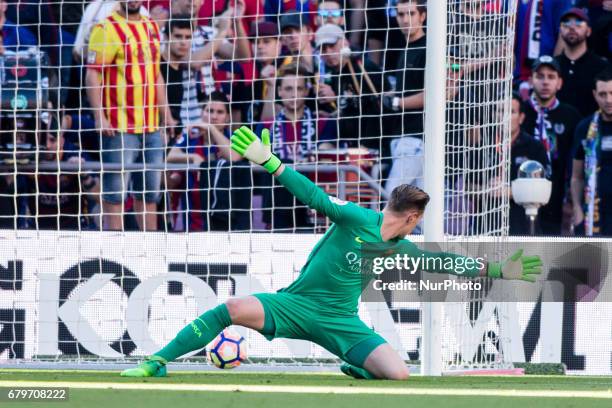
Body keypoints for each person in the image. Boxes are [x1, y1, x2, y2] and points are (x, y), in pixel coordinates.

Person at [120, 126, 542, 380]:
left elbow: (448, 263)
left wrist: (499, 269)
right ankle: (158, 360)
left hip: (342, 321)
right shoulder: (358, 218)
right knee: (231, 307)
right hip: (295, 305)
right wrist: (272, 163)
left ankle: (359, 366)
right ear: (412, 217)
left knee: (399, 373)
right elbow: (316, 196)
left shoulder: (401, 246)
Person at [86, 0, 176, 231]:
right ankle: (116, 243)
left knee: (150, 192)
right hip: (119, 126)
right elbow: (93, 75)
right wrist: (99, 116)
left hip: (152, 126)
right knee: (115, 191)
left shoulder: (152, 27)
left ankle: (149, 244)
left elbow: (156, 75)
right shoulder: (105, 29)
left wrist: (166, 114)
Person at [258, 63, 337, 231]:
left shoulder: (322, 122)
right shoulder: (267, 126)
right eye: (288, 89)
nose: (293, 95)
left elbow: (325, 153)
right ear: (279, 91)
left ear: (306, 91)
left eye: (299, 89)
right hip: (277, 203)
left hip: (311, 197)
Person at [166, 91, 250, 231]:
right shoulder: (191, 138)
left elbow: (234, 157)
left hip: (227, 217)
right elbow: (170, 156)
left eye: (220, 112)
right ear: (201, 114)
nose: (214, 116)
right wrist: (192, 157)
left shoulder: (236, 138)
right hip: (195, 218)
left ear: (228, 117)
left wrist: (211, 128)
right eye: (209, 111)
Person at [522, 55, 582, 235]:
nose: (545, 82)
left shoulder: (571, 115)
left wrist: (571, 200)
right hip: (521, 194)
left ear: (560, 82)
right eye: (540, 76)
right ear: (531, 80)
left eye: (551, 77)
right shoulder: (520, 111)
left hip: (556, 196)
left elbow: (575, 160)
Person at [315, 23, 390, 149]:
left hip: (375, 141)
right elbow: (349, 107)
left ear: (344, 43)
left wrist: (364, 147)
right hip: (353, 139)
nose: (328, 52)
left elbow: (377, 109)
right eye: (323, 48)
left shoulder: (363, 68)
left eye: (332, 46)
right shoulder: (334, 73)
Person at [571, 69, 612, 236]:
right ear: (595, 95)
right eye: (602, 94)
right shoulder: (585, 127)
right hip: (594, 214)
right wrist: (577, 209)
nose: (608, 100)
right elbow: (577, 176)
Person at [555, 8, 610, 117]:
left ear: (588, 31)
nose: (572, 27)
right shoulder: (553, 66)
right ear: (560, 31)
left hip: (591, 130)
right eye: (566, 24)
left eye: (578, 24)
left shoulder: (602, 67)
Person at [508, 93, 549, 235]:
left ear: (521, 117)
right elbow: (468, 186)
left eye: (511, 112)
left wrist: (509, 192)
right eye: (499, 111)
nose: (504, 116)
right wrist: (486, 189)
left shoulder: (534, 147)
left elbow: (545, 189)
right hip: (487, 227)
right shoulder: (482, 147)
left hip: (525, 227)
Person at [160, 16, 204, 136]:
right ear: (166, 37)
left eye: (188, 37)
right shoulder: (157, 66)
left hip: (172, 133)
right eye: (178, 36)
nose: (183, 42)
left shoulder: (180, 68)